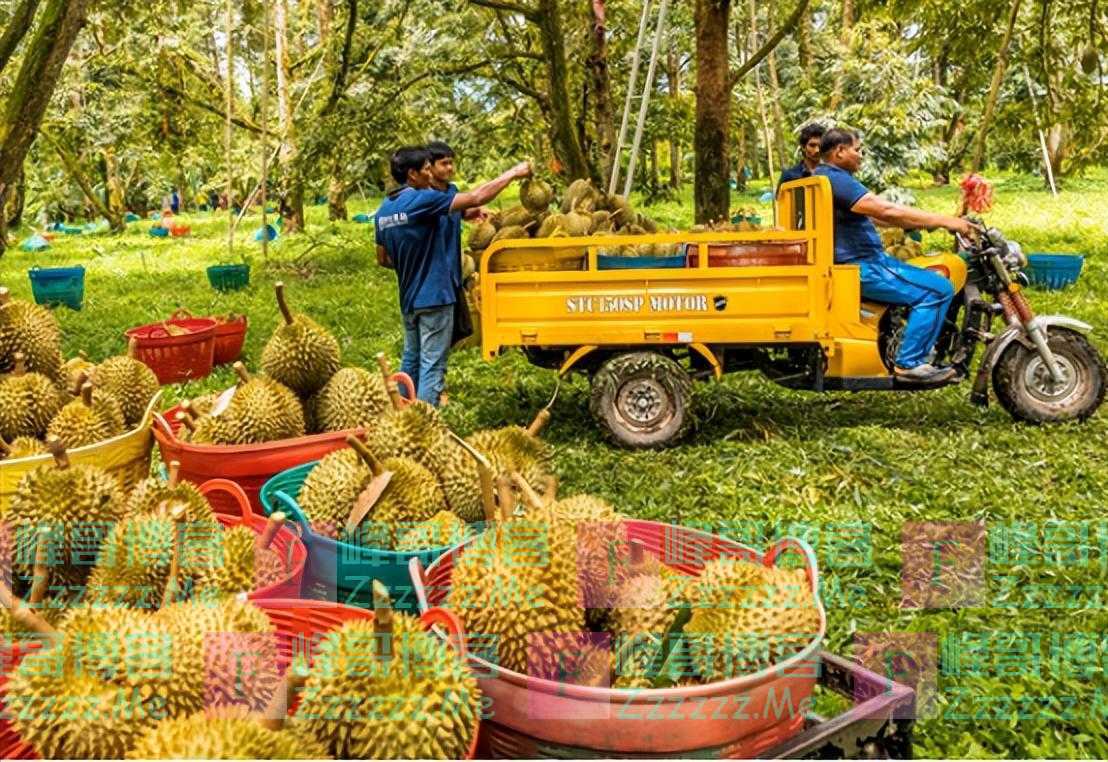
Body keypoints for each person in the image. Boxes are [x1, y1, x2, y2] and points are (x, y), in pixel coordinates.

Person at [814, 128, 978, 384]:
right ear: (839, 151)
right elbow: (885, 209)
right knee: (937, 290)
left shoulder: (824, 177)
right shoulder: (836, 178)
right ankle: (909, 364)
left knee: (925, 280)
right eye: (858, 150)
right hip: (862, 265)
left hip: (860, 262)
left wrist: (925, 222)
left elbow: (875, 216)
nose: (860, 156)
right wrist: (947, 221)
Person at [375, 146, 531, 406]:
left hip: (409, 298)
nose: (430, 174)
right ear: (412, 174)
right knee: (432, 365)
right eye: (426, 169)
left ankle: (400, 414)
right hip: (435, 295)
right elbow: (477, 196)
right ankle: (426, 424)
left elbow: (383, 259)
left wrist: (413, 262)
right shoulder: (421, 199)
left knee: (411, 359)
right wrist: (514, 173)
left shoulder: (383, 211)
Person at [777, 123, 825, 189]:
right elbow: (780, 199)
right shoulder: (789, 175)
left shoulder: (832, 174)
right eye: (812, 145)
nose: (817, 150)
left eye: (820, 145)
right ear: (803, 147)